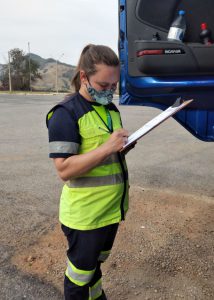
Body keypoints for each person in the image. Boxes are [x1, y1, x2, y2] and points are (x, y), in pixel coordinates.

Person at [46, 44, 131, 300]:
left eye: (113, 86)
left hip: (110, 211)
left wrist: (121, 149)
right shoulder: (65, 113)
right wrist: (108, 147)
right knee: (78, 276)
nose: (109, 91)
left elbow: (104, 156)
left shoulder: (110, 110)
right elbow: (64, 169)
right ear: (84, 77)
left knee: (94, 267)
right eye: (103, 85)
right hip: (85, 217)